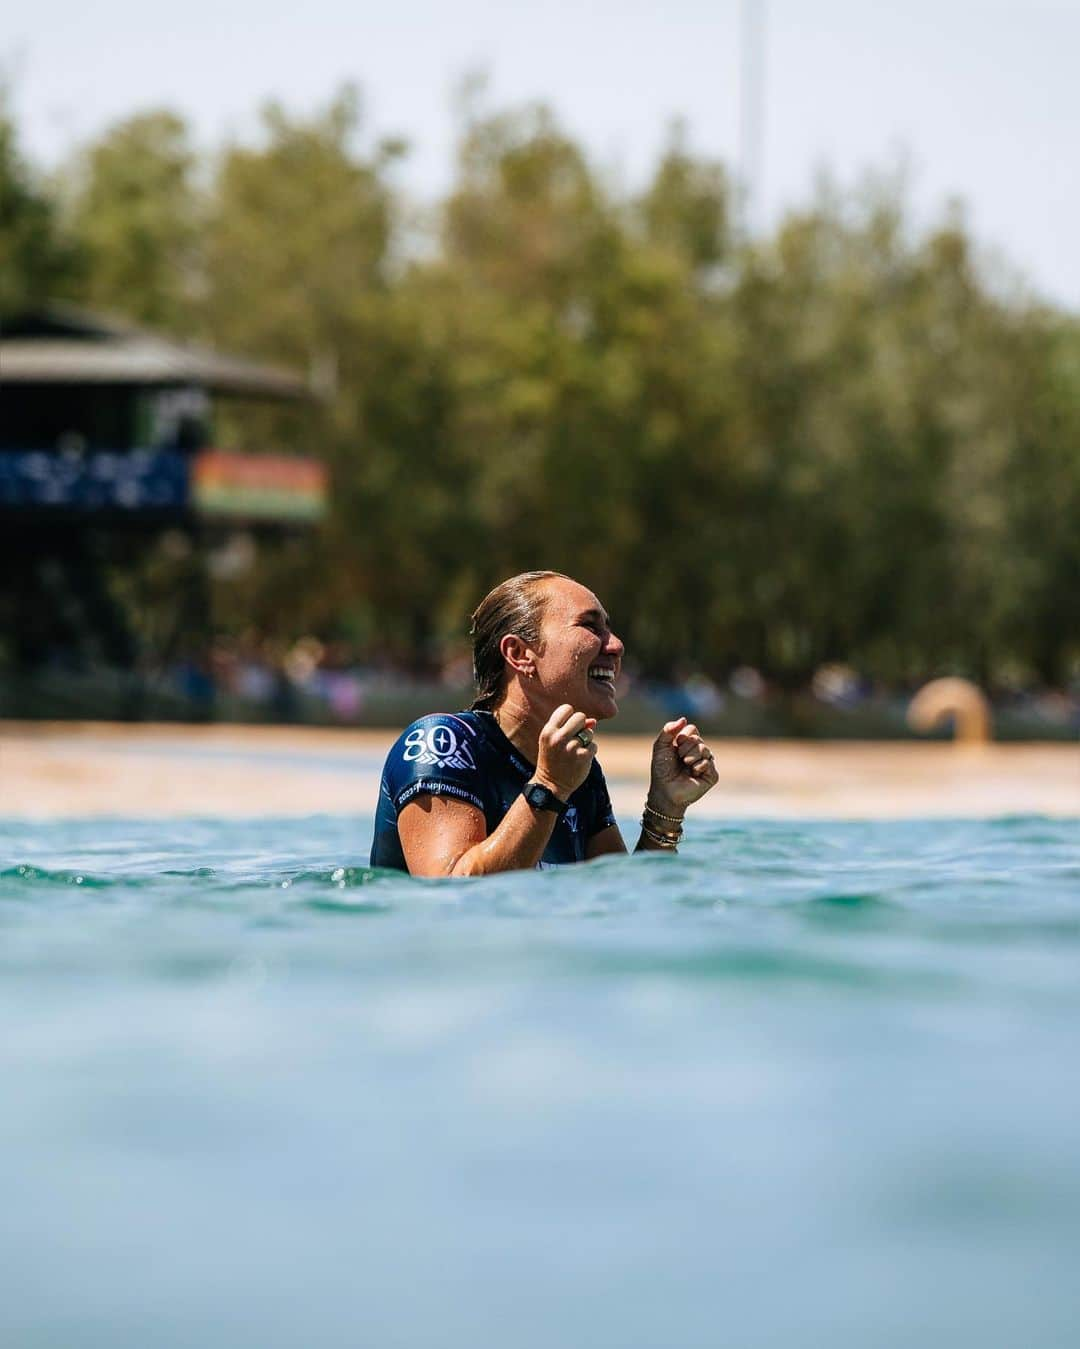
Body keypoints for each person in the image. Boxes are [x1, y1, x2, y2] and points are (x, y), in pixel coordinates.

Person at [370, 571, 719, 875]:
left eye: (609, 630)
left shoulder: (579, 772)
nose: (616, 646)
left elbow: (620, 911)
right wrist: (549, 788)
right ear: (520, 654)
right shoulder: (442, 743)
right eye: (589, 626)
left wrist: (664, 808)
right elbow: (450, 893)